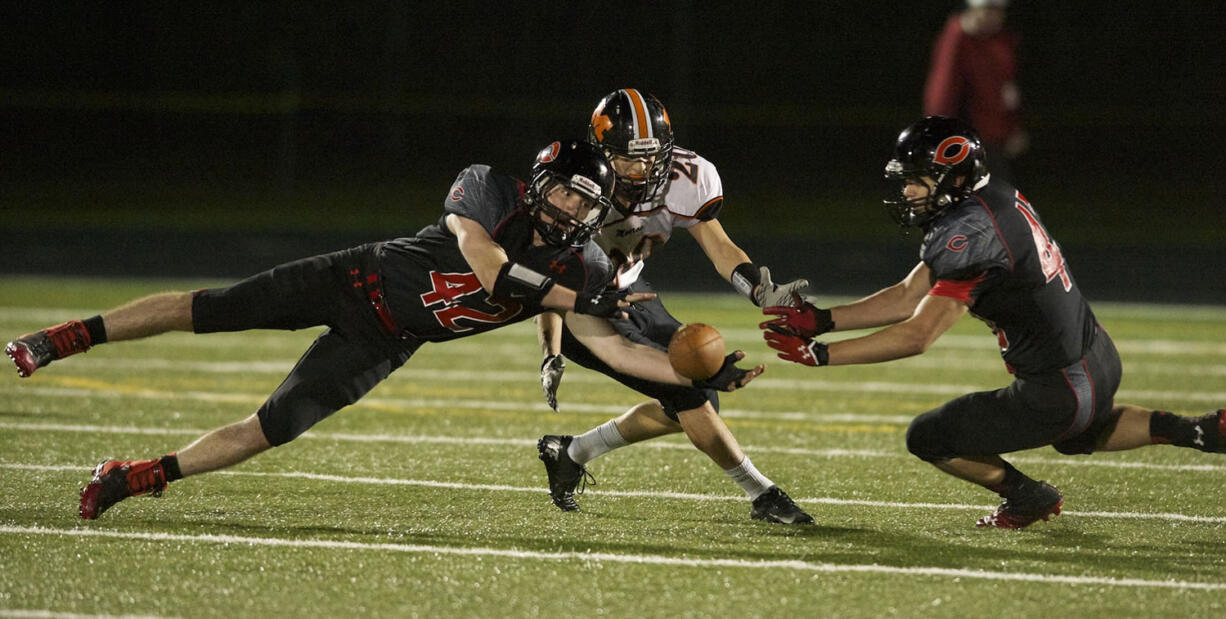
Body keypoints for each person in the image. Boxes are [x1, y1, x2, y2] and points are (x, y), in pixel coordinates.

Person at [4, 139, 764, 520]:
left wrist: (699, 377)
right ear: (540, 182)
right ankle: (61, 338)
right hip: (353, 278)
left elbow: (612, 344)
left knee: (275, 426)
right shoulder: (490, 188)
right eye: (565, 195)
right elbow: (486, 262)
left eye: (586, 207)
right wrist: (557, 294)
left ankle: (134, 476)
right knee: (209, 308)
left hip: (387, 339)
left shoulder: (586, 266)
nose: (572, 214)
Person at [760, 116, 1225, 529]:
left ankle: (1027, 496)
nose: (907, 191)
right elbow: (906, 295)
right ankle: (1200, 430)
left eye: (918, 180)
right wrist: (822, 320)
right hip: (1095, 357)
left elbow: (918, 334)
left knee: (929, 436)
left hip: (1058, 385)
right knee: (1079, 431)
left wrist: (822, 355)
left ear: (954, 176)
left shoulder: (970, 234)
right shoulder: (991, 199)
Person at [534, 89, 813, 524]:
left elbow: (720, 246)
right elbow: (549, 275)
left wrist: (760, 290)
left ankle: (571, 452)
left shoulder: (684, 176)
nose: (643, 168)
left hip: (632, 289)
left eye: (651, 156)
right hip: (584, 307)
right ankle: (762, 494)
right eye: (629, 157)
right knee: (688, 393)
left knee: (695, 400)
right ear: (603, 151)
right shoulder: (578, 188)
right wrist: (550, 350)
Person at [923, 0, 1027, 183]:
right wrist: (940, 131)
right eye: (987, 10)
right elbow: (943, 89)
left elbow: (1007, 91)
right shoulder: (958, 38)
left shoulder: (1002, 41)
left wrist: (1013, 127)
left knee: (999, 197)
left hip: (994, 136)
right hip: (964, 136)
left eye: (998, 12)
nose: (993, 17)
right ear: (973, 10)